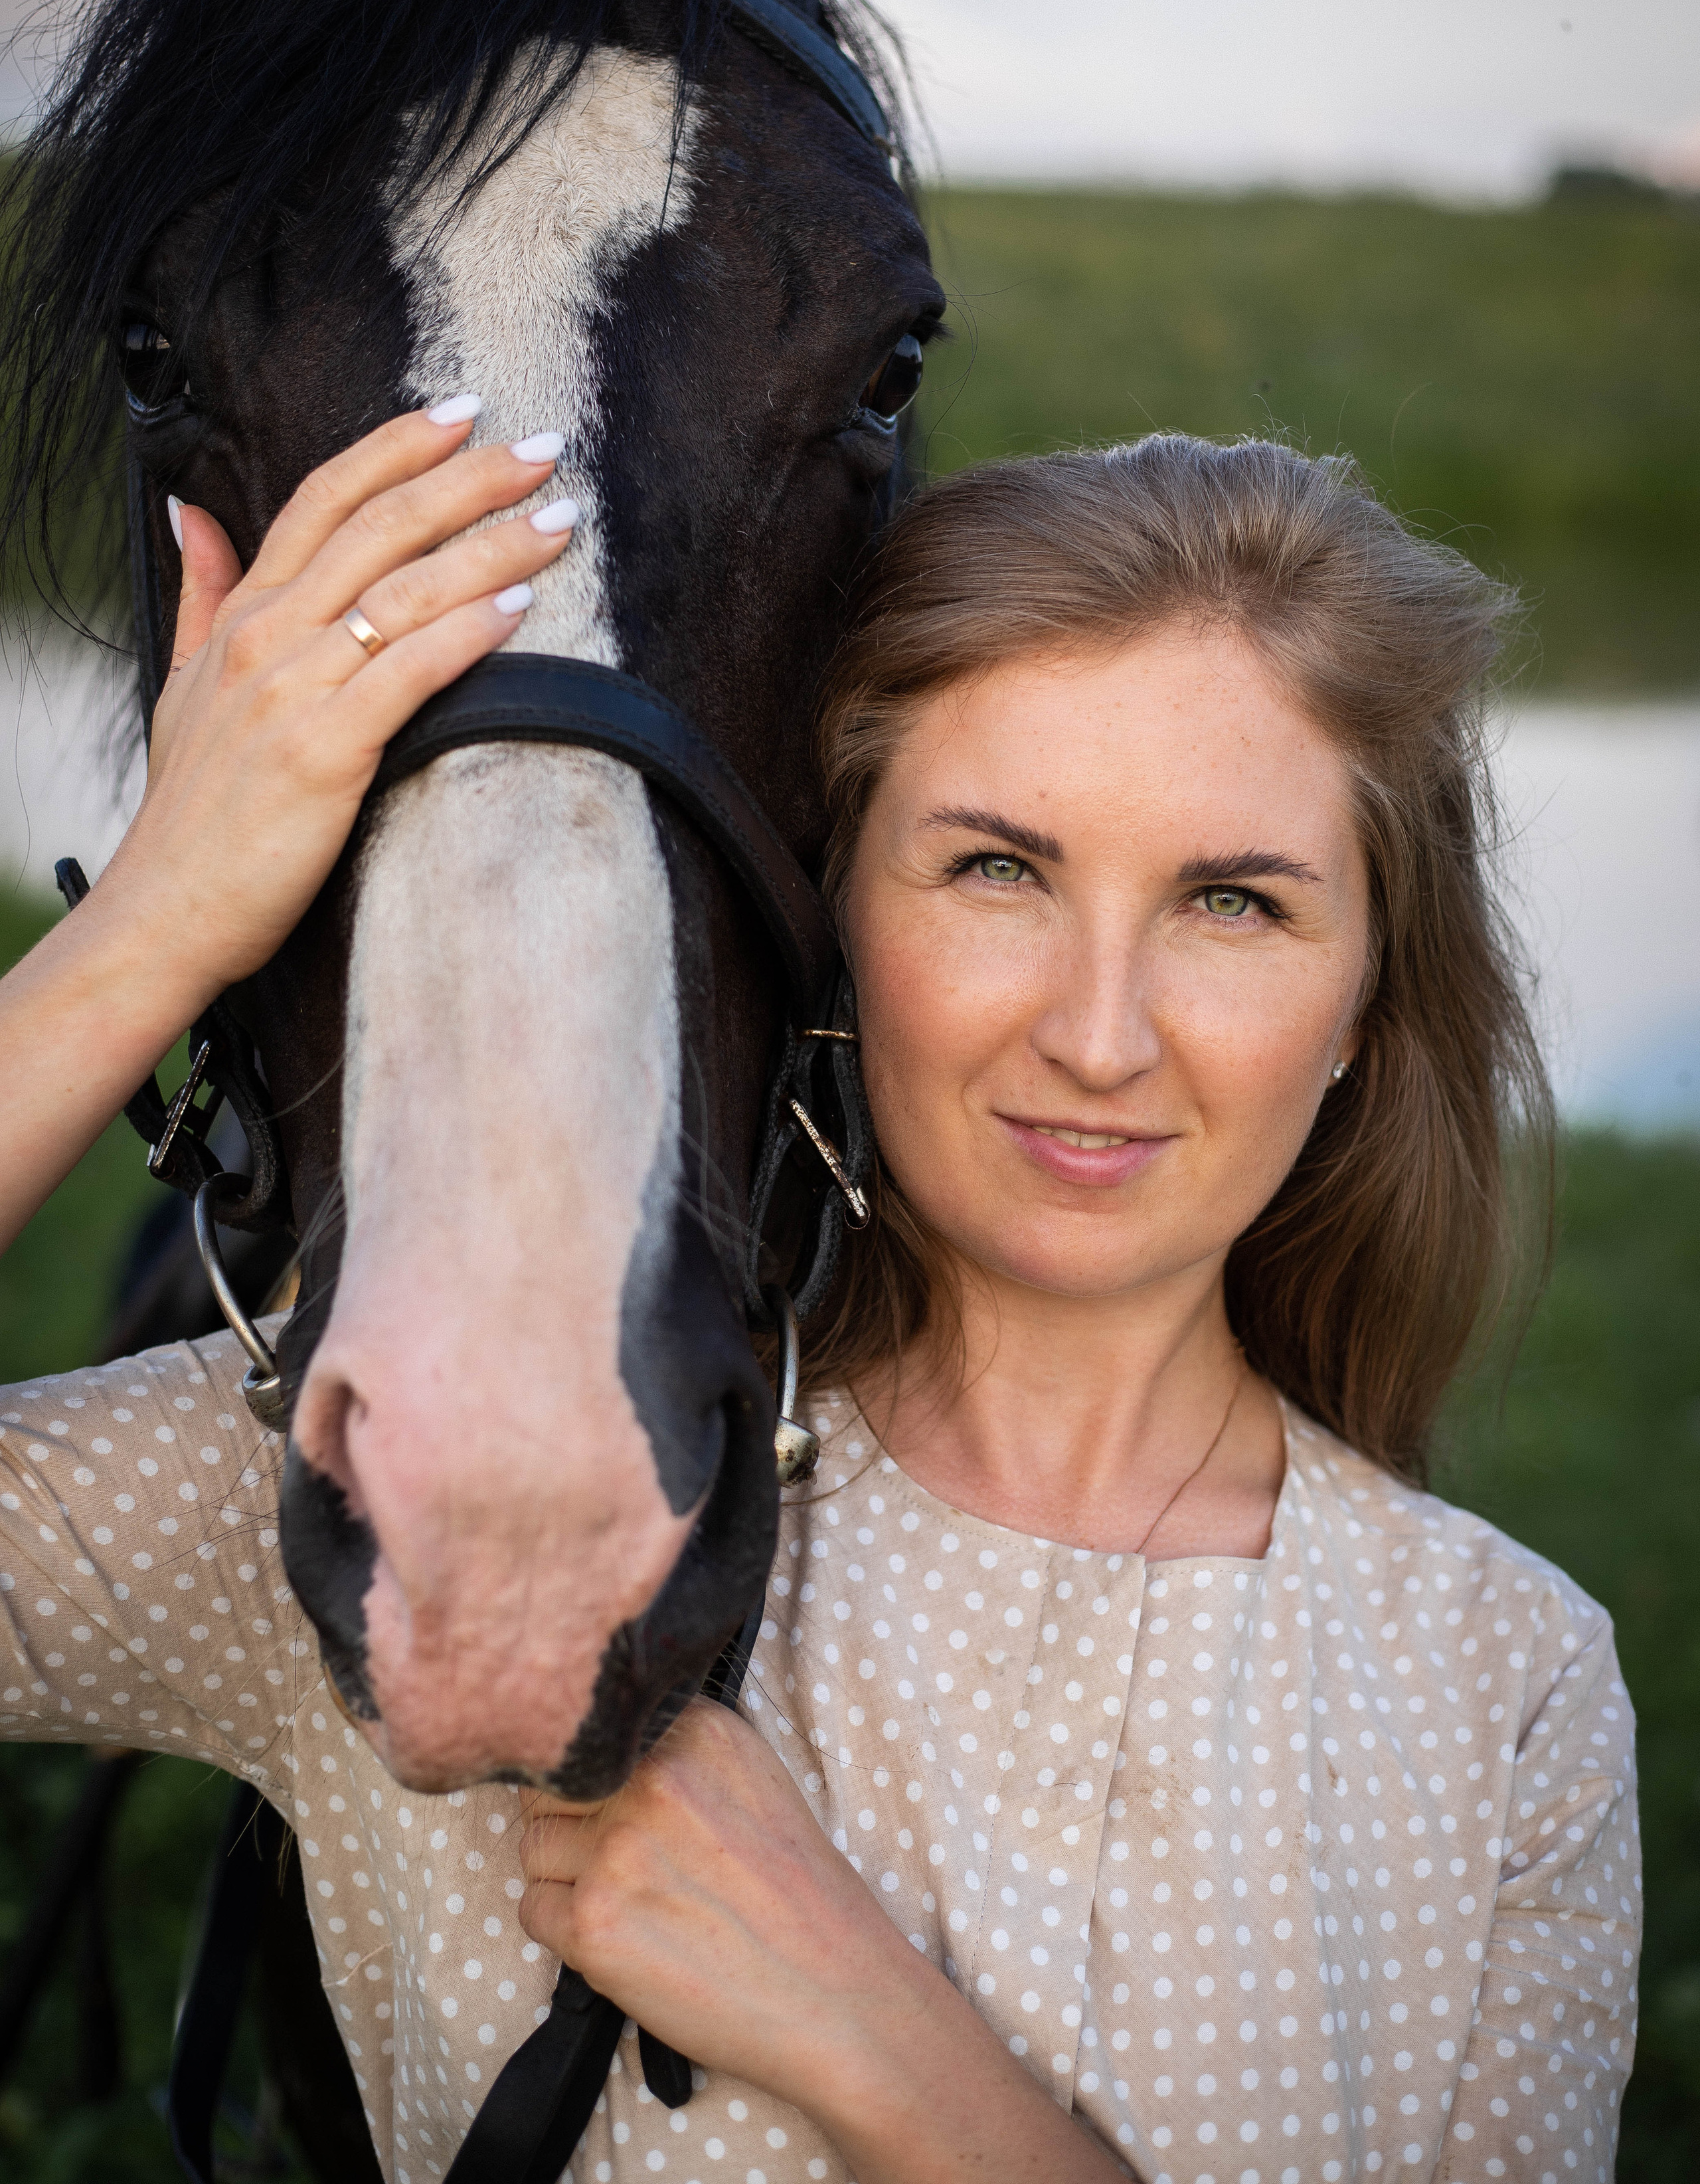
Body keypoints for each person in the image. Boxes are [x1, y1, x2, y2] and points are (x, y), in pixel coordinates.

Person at [0, 421, 1638, 2184]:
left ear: (1367, 997)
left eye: (1232, 903)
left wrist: (870, 2032)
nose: (1100, 1037)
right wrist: (158, 920)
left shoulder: (1508, 1689)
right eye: (998, 869)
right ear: (835, 914)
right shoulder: (468, 1487)